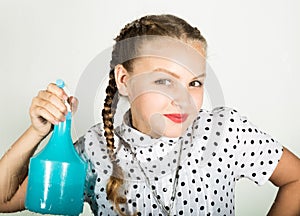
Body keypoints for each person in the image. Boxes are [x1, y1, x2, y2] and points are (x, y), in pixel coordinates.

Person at [0, 14, 299, 216]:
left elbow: (295, 179)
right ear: (124, 80)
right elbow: (5, 200)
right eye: (164, 81)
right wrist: (37, 132)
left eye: (194, 82)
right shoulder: (94, 149)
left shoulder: (224, 131)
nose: (183, 99)